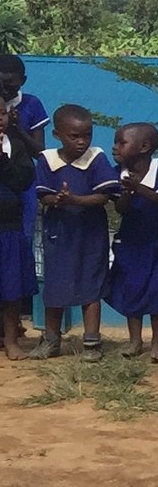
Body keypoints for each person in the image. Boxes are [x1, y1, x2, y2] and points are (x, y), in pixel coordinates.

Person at [33, 104, 117, 360]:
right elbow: (43, 196)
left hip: (90, 233)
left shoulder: (96, 158)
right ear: (57, 134)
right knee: (55, 285)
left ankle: (91, 342)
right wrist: (57, 199)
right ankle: (51, 340)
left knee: (91, 284)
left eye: (87, 135)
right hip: (59, 233)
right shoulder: (48, 159)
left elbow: (103, 196)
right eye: (74, 136)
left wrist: (75, 200)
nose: (82, 142)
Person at [106, 122, 158, 363]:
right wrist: (126, 192)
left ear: (144, 146)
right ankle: (135, 340)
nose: (115, 147)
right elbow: (121, 208)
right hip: (132, 242)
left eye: (121, 142)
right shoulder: (117, 173)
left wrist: (139, 188)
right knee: (131, 288)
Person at [1, 53, 47, 351]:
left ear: (22, 81)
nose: (5, 87)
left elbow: (39, 150)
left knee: (17, 255)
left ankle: (15, 327)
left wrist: (16, 130)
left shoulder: (31, 105)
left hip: (21, 191)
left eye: (11, 82)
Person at [0, 96, 37, 358]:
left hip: (8, 228)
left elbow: (23, 181)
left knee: (11, 289)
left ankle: (12, 341)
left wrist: (3, 160)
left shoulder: (15, 147)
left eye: (1, 114)